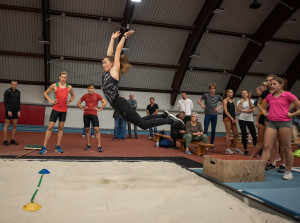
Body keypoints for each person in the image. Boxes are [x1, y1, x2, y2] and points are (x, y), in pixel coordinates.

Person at [101, 30, 184, 132]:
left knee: (143, 125)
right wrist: (112, 39)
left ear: (112, 64)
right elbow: (109, 54)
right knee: (140, 120)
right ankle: (163, 115)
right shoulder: (108, 72)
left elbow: (118, 50)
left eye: (105, 62)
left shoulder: (114, 72)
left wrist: (125, 36)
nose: (103, 64)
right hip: (118, 106)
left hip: (120, 104)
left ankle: (170, 121)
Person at [261, 77, 300, 180]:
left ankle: (288, 172)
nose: (272, 85)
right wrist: (265, 113)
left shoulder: (288, 95)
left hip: (284, 123)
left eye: (274, 84)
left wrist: (291, 114)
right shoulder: (269, 96)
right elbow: (263, 107)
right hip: (272, 123)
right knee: (266, 146)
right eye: (271, 84)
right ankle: (259, 171)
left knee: (286, 147)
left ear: (281, 84)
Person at [40, 71, 75, 154]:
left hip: (64, 110)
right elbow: (45, 93)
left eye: (64, 77)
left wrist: (69, 100)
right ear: (59, 77)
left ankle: (58, 146)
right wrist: (51, 101)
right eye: (62, 77)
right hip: (55, 109)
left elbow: (73, 96)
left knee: (61, 127)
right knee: (50, 127)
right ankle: (44, 146)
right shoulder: (54, 85)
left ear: (66, 78)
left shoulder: (69, 87)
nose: (63, 79)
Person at [77, 84, 107, 152]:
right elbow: (78, 103)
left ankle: (99, 145)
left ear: (94, 89)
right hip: (86, 114)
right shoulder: (85, 96)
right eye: (89, 88)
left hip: (94, 114)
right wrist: (82, 108)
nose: (90, 89)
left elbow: (104, 103)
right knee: (87, 129)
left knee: (96, 129)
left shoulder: (97, 95)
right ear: (87, 89)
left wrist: (99, 109)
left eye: (92, 88)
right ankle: (88, 145)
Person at [197, 83, 223, 150]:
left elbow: (225, 102)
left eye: (213, 89)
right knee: (205, 129)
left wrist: (218, 108)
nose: (212, 90)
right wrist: (201, 105)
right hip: (207, 114)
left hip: (214, 115)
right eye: (211, 88)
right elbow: (198, 100)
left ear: (215, 89)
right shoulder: (206, 95)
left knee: (213, 130)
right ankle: (205, 144)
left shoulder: (218, 96)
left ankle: (211, 145)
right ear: (209, 89)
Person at [236, 90, 257, 155]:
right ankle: (245, 149)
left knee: (254, 134)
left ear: (247, 94)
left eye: (245, 93)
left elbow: (253, 110)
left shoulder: (251, 101)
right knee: (244, 134)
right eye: (242, 93)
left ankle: (256, 150)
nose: (244, 94)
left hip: (250, 119)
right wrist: (240, 104)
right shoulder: (239, 101)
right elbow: (238, 110)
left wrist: (244, 111)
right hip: (241, 119)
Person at [250, 83, 268, 159]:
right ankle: (253, 156)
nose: (257, 91)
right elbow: (257, 109)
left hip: (269, 118)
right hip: (262, 118)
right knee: (260, 140)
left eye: (258, 89)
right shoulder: (261, 97)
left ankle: (271, 158)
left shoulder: (270, 95)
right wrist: (257, 121)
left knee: (269, 141)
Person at [223, 89, 241, 154]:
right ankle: (227, 148)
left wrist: (235, 118)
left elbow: (234, 111)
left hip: (233, 119)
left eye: (232, 92)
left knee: (236, 133)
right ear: (227, 93)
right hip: (227, 118)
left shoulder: (233, 101)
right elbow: (226, 111)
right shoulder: (225, 101)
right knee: (228, 133)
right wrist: (231, 118)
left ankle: (235, 148)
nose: (232, 93)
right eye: (230, 92)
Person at [3, 80, 21, 146]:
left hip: (15, 111)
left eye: (15, 84)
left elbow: (18, 102)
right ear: (11, 84)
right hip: (9, 111)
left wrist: (19, 110)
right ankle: (4, 140)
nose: (14, 86)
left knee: (14, 125)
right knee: (7, 125)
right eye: (13, 84)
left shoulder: (18, 92)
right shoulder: (7, 92)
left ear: (17, 85)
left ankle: (12, 140)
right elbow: (5, 102)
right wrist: (8, 110)